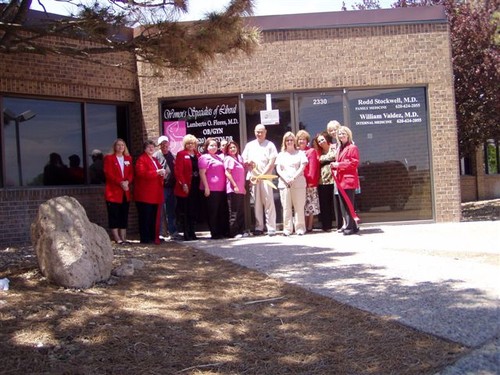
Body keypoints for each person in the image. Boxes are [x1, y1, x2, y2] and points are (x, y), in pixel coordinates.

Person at [241, 124, 278, 236]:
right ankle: (259, 227)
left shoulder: (270, 145)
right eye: (257, 132)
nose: (259, 134)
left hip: (266, 178)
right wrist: (248, 163)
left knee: (269, 202)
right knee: (256, 203)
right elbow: (244, 160)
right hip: (254, 178)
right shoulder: (249, 145)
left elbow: (272, 162)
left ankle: (271, 227)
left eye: (261, 132)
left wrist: (263, 174)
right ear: (254, 132)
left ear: (265, 132)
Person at [275, 131, 308, 236]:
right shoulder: (280, 155)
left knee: (299, 207)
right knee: (286, 207)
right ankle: (287, 229)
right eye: (287, 140)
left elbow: (302, 167)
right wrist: (286, 178)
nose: (289, 142)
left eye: (291, 140)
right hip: (284, 184)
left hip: (298, 183)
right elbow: (278, 169)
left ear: (294, 141)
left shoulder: (300, 153)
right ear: (284, 142)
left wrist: (293, 177)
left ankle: (300, 228)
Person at [134, 139, 166, 244]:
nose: (151, 148)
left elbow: (159, 171)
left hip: (155, 193)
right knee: (145, 217)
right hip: (145, 194)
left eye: (152, 147)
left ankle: (153, 236)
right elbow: (142, 173)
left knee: (153, 217)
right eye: (149, 147)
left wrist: (162, 173)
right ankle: (145, 238)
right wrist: (157, 172)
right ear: (144, 149)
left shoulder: (154, 159)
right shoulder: (141, 159)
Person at [103, 139, 134, 244]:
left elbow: (131, 173)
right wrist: (120, 182)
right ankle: (117, 237)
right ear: (114, 147)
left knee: (123, 214)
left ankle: (123, 237)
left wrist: (127, 182)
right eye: (118, 145)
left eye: (122, 145)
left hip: (125, 192)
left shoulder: (128, 158)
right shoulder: (109, 158)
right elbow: (108, 173)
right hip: (113, 192)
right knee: (114, 215)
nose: (121, 147)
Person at [331, 126, 360, 235]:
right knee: (343, 205)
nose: (341, 136)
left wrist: (339, 164)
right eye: (340, 134)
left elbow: (354, 163)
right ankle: (350, 225)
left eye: (343, 134)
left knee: (349, 204)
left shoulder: (352, 148)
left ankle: (350, 227)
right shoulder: (340, 148)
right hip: (340, 180)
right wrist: (334, 166)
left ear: (348, 135)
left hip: (348, 180)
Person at [199, 137, 229, 239]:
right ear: (207, 147)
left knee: (221, 211)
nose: (214, 147)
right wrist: (206, 187)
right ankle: (214, 233)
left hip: (221, 189)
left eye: (216, 145)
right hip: (211, 189)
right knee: (213, 212)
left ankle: (220, 231)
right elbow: (202, 173)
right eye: (211, 145)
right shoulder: (204, 158)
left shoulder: (219, 157)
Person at [174, 134, 201, 241]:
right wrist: (183, 183)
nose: (191, 145)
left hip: (195, 185)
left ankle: (193, 232)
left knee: (193, 210)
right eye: (188, 143)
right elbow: (178, 171)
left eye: (192, 143)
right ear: (185, 144)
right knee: (185, 210)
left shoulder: (198, 155)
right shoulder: (181, 154)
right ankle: (186, 233)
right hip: (185, 187)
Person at [153, 135, 180, 241]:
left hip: (172, 187)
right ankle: (160, 233)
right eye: (162, 144)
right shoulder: (155, 156)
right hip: (161, 188)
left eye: (166, 144)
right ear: (159, 145)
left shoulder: (172, 156)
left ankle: (173, 232)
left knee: (171, 211)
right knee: (160, 211)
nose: (164, 146)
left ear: (169, 144)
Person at [296, 129, 320, 233]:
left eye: (304, 139)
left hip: (309, 182)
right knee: (301, 204)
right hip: (298, 183)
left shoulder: (311, 151)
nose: (301, 141)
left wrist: (310, 181)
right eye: (300, 139)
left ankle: (309, 225)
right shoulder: (295, 152)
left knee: (310, 204)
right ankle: (302, 225)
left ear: (307, 141)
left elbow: (313, 168)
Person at [224, 140, 247, 238]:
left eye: (234, 147)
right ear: (227, 150)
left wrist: (243, 187)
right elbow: (227, 173)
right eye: (230, 148)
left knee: (241, 211)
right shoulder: (229, 159)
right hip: (233, 189)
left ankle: (241, 231)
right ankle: (233, 232)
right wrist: (235, 186)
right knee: (234, 212)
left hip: (241, 189)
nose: (233, 149)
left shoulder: (239, 158)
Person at [314, 132, 336, 232]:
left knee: (335, 203)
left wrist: (323, 159)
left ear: (327, 139)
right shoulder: (318, 151)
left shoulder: (334, 147)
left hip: (334, 180)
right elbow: (316, 161)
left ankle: (339, 224)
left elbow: (335, 157)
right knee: (324, 204)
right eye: (319, 141)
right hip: (322, 181)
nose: (321, 142)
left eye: (322, 139)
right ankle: (326, 225)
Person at [327, 120, 344, 231]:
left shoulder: (345, 142)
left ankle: (350, 224)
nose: (333, 132)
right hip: (336, 176)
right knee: (338, 200)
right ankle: (341, 225)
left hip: (344, 176)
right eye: (331, 130)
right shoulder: (333, 145)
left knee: (346, 200)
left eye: (335, 129)